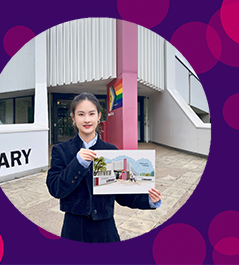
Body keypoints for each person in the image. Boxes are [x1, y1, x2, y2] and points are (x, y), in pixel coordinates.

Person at [46, 92, 162, 243]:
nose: (87, 119)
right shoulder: (61, 150)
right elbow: (56, 188)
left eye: (91, 114)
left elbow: (122, 193)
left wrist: (148, 200)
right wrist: (78, 163)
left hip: (105, 230)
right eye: (81, 114)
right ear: (73, 118)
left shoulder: (111, 151)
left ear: (99, 116)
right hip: (74, 230)